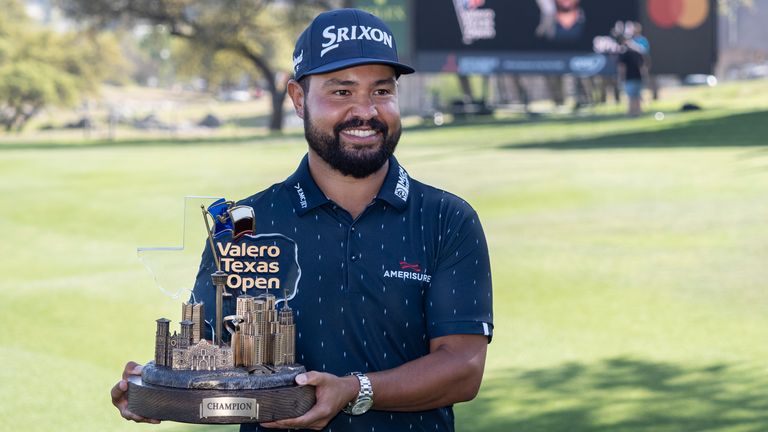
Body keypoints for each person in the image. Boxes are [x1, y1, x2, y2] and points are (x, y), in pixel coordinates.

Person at [110, 8, 494, 432]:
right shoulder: (240, 223)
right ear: (297, 98)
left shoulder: (447, 219)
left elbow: (463, 368)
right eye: (342, 91)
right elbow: (211, 356)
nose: (365, 110)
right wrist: (158, 387)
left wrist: (353, 390)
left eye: (382, 91)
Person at [618, 33, 650, 117]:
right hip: (638, 78)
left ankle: (632, 112)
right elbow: (643, 67)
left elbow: (622, 67)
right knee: (637, 96)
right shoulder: (638, 53)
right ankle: (638, 112)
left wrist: (621, 78)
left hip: (629, 78)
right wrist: (645, 77)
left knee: (631, 97)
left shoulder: (624, 53)